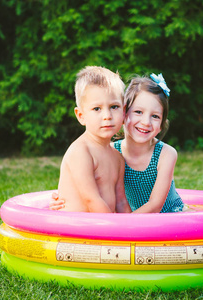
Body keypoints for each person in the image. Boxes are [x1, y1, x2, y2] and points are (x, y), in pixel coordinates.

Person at [53, 72, 189, 213]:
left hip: (167, 216)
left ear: (121, 112)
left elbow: (130, 203)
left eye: (155, 116)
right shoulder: (95, 152)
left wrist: (123, 227)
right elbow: (88, 197)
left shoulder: (158, 155)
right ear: (126, 114)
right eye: (138, 112)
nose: (145, 122)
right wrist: (62, 199)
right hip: (96, 225)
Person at [56, 66, 131, 213]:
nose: (107, 116)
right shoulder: (81, 151)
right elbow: (90, 199)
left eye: (114, 107)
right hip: (77, 229)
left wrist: (133, 227)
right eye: (97, 109)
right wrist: (115, 228)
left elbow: (121, 201)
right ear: (81, 116)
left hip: (102, 226)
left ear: (123, 112)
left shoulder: (117, 158)